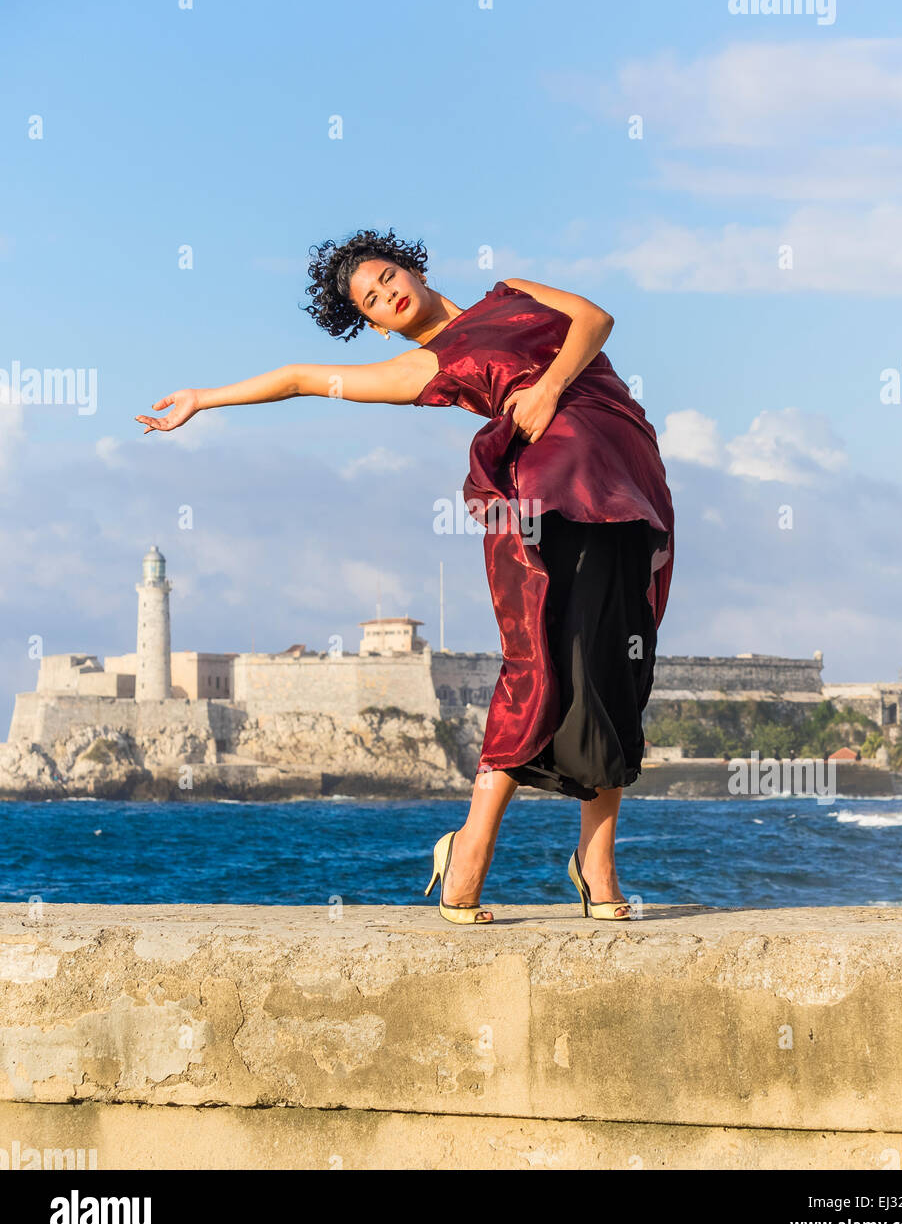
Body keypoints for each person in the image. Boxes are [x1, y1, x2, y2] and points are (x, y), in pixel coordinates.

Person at [135, 228, 675, 925]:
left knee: (615, 667)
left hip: (627, 481)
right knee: (539, 666)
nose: (387, 294)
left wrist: (546, 387)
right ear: (373, 325)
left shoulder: (512, 291)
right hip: (544, 499)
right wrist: (205, 399)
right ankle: (469, 854)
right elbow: (302, 378)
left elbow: (594, 321)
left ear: (412, 268)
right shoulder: (425, 368)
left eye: (387, 277)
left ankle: (594, 862)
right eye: (370, 302)